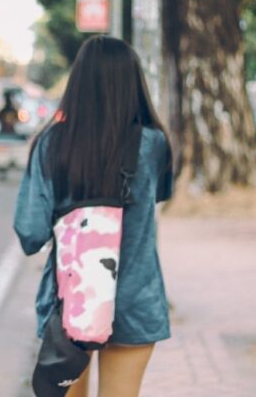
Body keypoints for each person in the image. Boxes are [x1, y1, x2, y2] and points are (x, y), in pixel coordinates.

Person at [14, 36, 173, 397]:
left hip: (71, 303)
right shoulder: (154, 144)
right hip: (136, 300)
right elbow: (160, 195)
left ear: (78, 84)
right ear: (133, 84)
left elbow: (30, 232)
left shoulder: (51, 144)